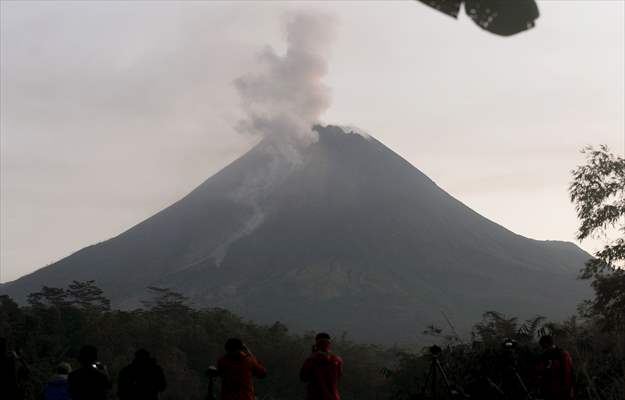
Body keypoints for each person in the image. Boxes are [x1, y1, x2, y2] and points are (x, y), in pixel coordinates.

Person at [300, 332, 343, 400]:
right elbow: (338, 376)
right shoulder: (337, 360)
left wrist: (313, 354)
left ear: (317, 344)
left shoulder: (311, 360)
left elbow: (303, 377)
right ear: (329, 344)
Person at [536, 335, 574, 400]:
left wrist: (567, 389)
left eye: (544, 346)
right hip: (548, 389)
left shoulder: (562, 354)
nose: (543, 349)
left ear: (547, 344)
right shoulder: (544, 356)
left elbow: (568, 373)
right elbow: (539, 371)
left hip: (561, 389)